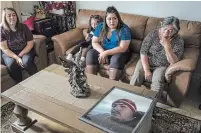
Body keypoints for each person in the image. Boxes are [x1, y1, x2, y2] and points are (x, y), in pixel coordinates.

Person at [130, 16, 184, 94]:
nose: (166, 33)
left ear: (176, 31)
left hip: (162, 65)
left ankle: (152, 102)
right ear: (161, 25)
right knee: (137, 74)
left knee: (157, 80)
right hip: (146, 60)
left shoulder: (178, 40)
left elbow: (174, 62)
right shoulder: (153, 34)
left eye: (170, 30)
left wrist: (167, 47)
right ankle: (128, 96)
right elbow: (143, 52)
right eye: (165, 29)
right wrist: (147, 70)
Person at [86, 6, 132, 80]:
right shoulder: (100, 26)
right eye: (109, 19)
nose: (112, 21)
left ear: (118, 19)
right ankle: (91, 82)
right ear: (105, 19)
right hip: (104, 50)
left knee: (116, 59)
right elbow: (94, 42)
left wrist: (106, 53)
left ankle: (111, 86)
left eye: (114, 18)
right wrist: (102, 52)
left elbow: (123, 48)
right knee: (90, 53)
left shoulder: (124, 29)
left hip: (119, 52)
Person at [0, 7, 38, 83]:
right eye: (9, 15)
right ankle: (20, 83)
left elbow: (30, 43)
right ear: (5, 18)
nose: (12, 17)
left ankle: (37, 79)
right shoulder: (1, 30)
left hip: (25, 49)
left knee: (26, 61)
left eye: (14, 15)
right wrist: (16, 58)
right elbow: (5, 49)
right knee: (11, 65)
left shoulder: (23, 27)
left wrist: (20, 56)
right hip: (9, 52)